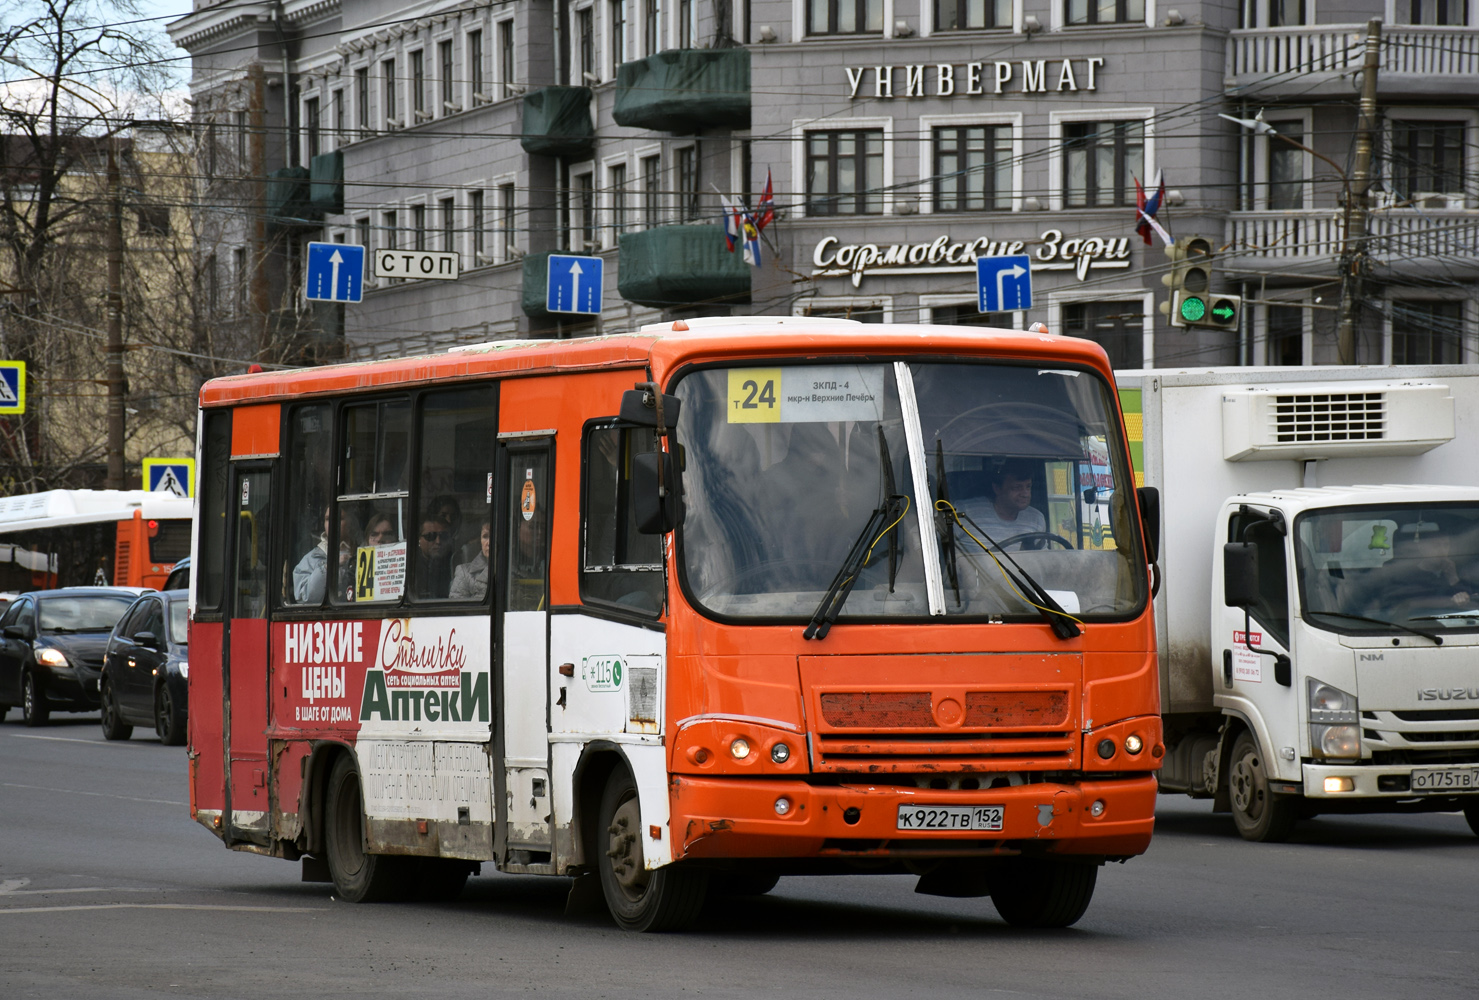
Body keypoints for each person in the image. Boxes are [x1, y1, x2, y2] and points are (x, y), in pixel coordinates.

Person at [957, 459, 1046, 550]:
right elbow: (946, 553)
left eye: (1028, 487)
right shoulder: (964, 513)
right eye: (1017, 487)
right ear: (997, 488)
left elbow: (1043, 559)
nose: (1025, 494)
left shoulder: (1036, 518)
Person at [293, 505, 358, 603]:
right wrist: (328, 568)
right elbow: (304, 598)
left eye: (339, 518)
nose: (332, 523)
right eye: (328, 519)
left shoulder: (364, 552)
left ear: (351, 523)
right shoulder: (311, 559)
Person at [415, 514, 456, 599]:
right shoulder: (411, 567)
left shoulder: (456, 563)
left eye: (443, 536)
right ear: (419, 539)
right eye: (431, 536)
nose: (438, 541)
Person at [449, 521, 491, 600]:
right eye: (485, 536)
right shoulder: (464, 573)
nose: (489, 543)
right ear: (480, 541)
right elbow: (457, 609)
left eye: (495, 536)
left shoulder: (517, 570)